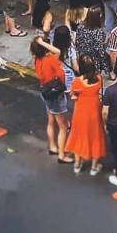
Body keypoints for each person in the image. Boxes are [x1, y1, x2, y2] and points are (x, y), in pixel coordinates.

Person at [31, 35, 74, 164]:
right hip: (56, 94)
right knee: (62, 126)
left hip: (46, 92)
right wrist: (41, 42)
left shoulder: (38, 60)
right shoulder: (50, 59)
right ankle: (62, 155)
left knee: (50, 121)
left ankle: (52, 146)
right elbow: (58, 51)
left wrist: (39, 43)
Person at [65, 55, 107, 175]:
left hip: (80, 112)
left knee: (79, 136)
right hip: (94, 111)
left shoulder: (77, 81)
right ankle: (94, 167)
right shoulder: (99, 78)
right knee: (96, 137)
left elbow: (73, 96)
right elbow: (100, 93)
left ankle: (77, 164)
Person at [76, 4, 109, 74]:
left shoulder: (80, 26)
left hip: (83, 59)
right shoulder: (98, 32)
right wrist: (107, 68)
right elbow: (100, 52)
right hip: (93, 63)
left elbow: (77, 42)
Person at [52, 25, 79, 96]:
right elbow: (75, 67)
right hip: (69, 79)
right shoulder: (70, 50)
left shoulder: (52, 49)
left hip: (57, 79)